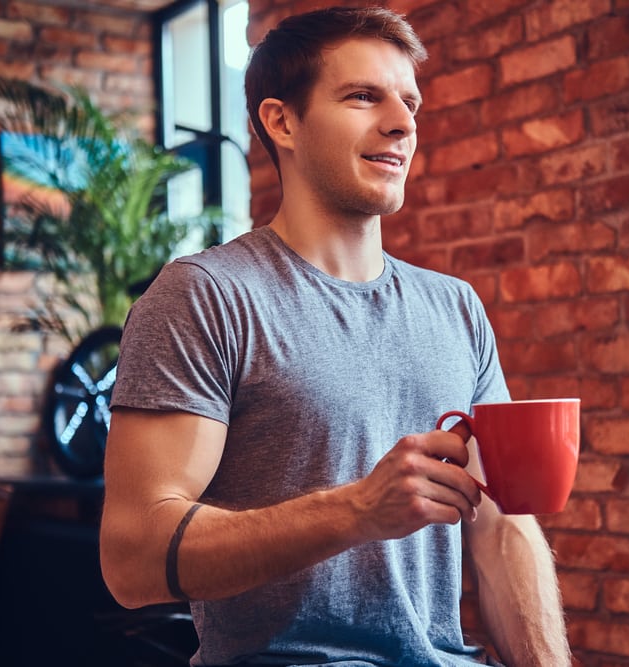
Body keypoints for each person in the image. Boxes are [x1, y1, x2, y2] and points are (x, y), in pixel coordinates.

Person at [99, 6, 570, 666]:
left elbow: (502, 527)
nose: (403, 123)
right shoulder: (205, 296)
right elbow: (132, 557)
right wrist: (355, 510)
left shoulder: (456, 308)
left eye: (409, 102)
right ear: (281, 120)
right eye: (362, 96)